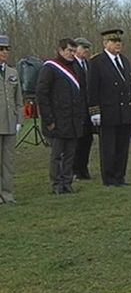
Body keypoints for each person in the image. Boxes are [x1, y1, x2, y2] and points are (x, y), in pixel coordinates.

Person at [36, 38, 86, 194]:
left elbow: (81, 93)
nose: (72, 54)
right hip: (57, 120)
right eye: (69, 51)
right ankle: (56, 183)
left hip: (73, 119)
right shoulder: (50, 68)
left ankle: (67, 181)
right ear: (61, 50)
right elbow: (42, 94)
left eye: (73, 51)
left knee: (70, 154)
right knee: (57, 154)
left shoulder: (76, 68)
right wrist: (48, 119)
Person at [88, 28, 131, 186]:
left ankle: (120, 176)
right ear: (105, 43)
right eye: (114, 42)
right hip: (108, 111)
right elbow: (92, 88)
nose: (117, 45)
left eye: (119, 42)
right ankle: (109, 178)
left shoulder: (125, 60)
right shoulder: (97, 62)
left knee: (122, 146)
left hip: (124, 111)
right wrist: (94, 111)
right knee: (108, 147)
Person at [0, 35, 23, 204]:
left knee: (8, 161)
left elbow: (18, 99)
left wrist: (19, 120)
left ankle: (7, 194)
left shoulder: (12, 72)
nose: (4, 52)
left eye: (6, 49)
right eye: (1, 49)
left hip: (10, 123)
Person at [72, 37, 94, 180]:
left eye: (87, 48)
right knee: (77, 141)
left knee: (87, 140)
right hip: (77, 109)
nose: (86, 51)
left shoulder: (88, 64)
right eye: (83, 48)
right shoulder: (72, 65)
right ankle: (75, 169)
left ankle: (83, 168)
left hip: (88, 109)